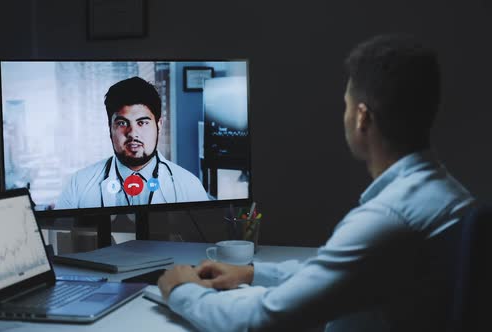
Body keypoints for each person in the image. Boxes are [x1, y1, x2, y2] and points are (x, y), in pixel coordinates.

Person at [157, 35, 476, 331]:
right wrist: (253, 274)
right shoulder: (446, 194)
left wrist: (181, 290)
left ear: (362, 117)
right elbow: (342, 272)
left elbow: (259, 320)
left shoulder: (389, 218)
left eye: (346, 105)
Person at [56, 76, 209, 209]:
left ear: (159, 126)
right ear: (110, 128)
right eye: (122, 123)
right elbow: (61, 236)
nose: (132, 133)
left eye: (142, 123)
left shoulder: (190, 186)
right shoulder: (78, 185)